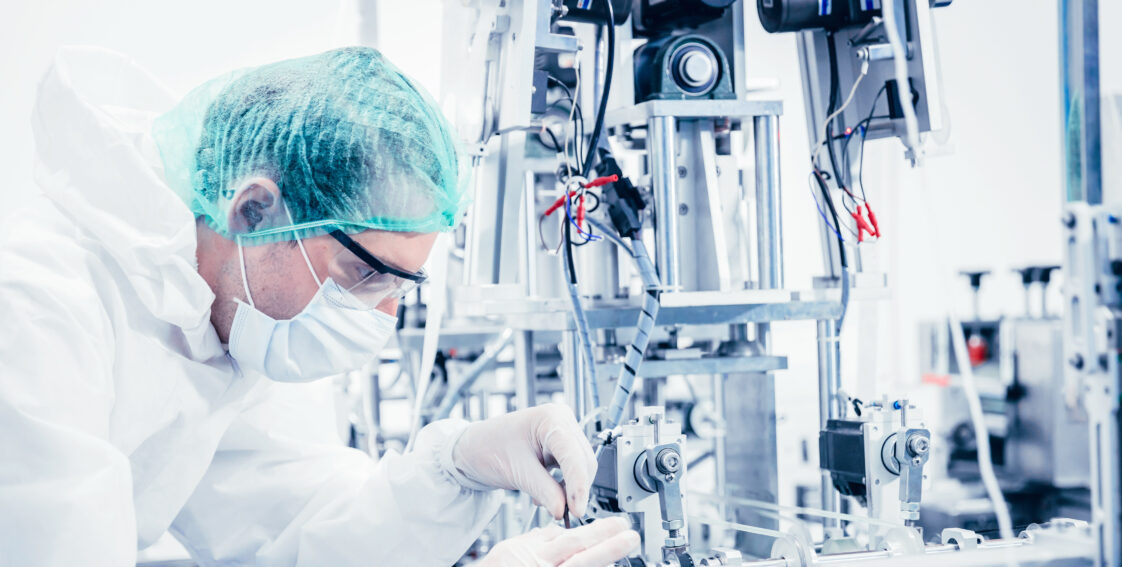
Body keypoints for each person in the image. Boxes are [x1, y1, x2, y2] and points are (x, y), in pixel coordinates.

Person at [0, 45, 638, 566]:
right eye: (363, 274)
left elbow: (303, 531)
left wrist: (460, 465)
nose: (381, 320)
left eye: (399, 288)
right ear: (254, 211)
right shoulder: (37, 315)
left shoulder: (227, 323)